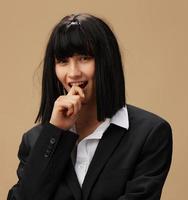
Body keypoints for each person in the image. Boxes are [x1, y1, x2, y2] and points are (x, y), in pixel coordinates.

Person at [7, 13, 172, 200]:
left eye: (84, 58)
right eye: (63, 61)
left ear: (107, 62)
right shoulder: (36, 140)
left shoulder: (149, 134)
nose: (73, 73)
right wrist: (54, 133)